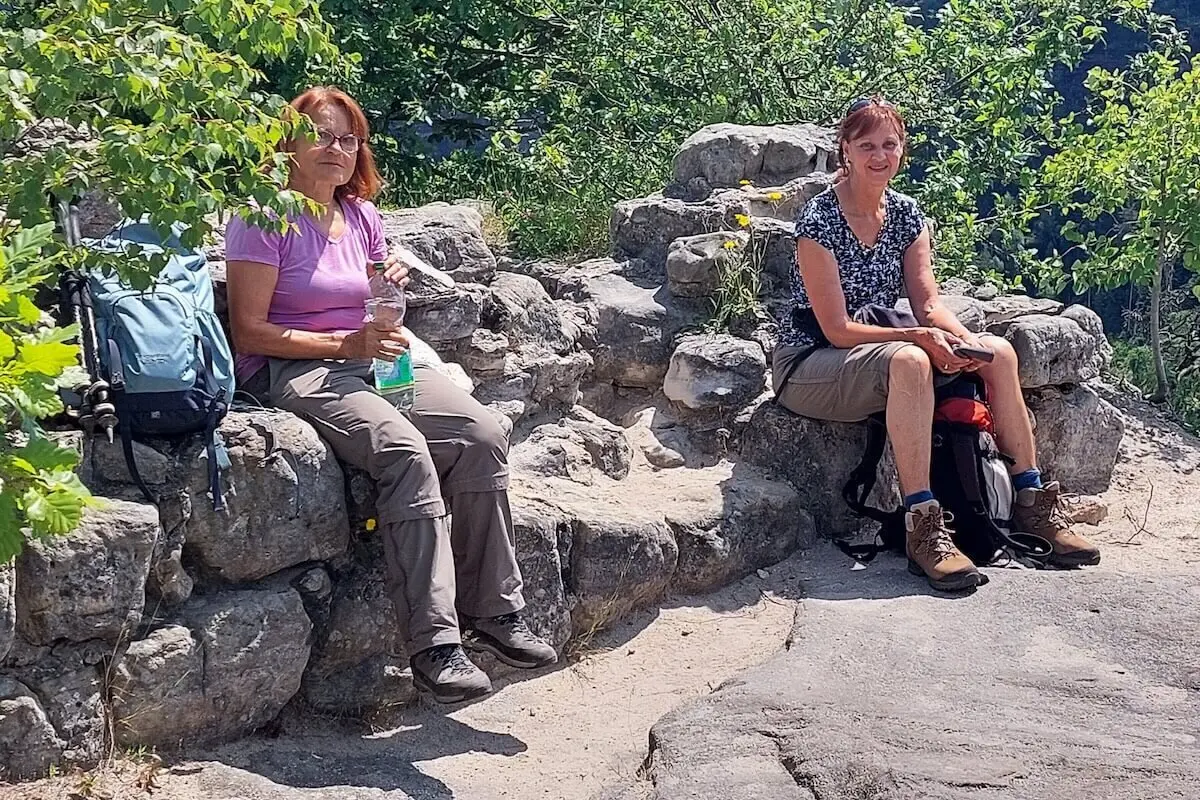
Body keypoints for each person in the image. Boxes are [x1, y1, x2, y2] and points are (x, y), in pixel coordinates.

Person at [224, 86, 556, 703]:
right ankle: (435, 646)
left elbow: (378, 307)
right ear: (288, 144)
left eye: (349, 139)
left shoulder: (361, 218)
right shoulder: (262, 216)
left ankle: (495, 612)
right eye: (322, 135)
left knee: (482, 434)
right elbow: (250, 331)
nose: (338, 148)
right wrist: (344, 346)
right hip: (297, 369)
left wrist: (388, 281)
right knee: (404, 449)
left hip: (378, 362)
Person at [773, 96, 1100, 591]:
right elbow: (837, 329)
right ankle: (923, 527)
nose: (879, 156)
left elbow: (927, 305)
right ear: (845, 150)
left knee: (999, 353)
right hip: (812, 362)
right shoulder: (820, 221)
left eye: (890, 144)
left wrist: (966, 343)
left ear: (902, 149)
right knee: (909, 360)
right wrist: (918, 337)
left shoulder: (906, 215)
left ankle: (1033, 505)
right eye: (866, 146)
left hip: (880, 347)